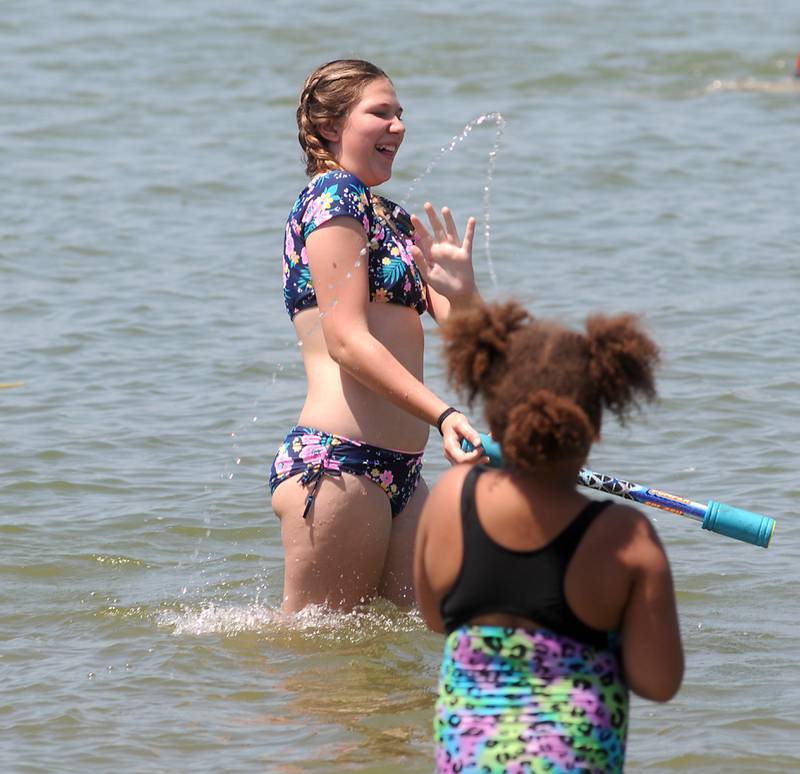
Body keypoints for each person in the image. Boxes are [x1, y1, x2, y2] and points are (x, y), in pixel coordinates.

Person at [414, 300, 683, 773]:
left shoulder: (452, 497)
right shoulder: (626, 535)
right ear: (595, 427)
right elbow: (659, 682)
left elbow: (436, 618)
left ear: (495, 424)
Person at [270, 59, 484, 612]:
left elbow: (470, 339)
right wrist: (443, 415)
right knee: (325, 669)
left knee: (405, 663)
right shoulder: (331, 198)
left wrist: (462, 290)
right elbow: (345, 339)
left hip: (403, 475)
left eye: (401, 115)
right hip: (339, 464)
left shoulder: (388, 216)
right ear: (329, 127)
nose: (399, 126)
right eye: (380, 113)